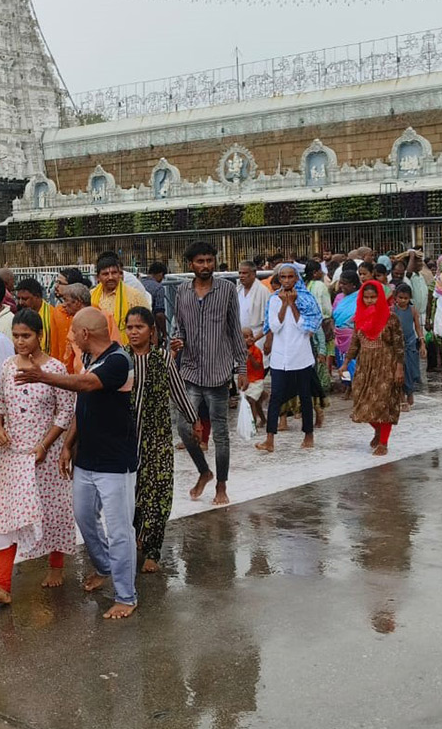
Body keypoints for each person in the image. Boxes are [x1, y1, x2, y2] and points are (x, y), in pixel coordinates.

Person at [16, 307, 139, 620]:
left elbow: (87, 386)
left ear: (86, 334)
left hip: (115, 462)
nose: (70, 337)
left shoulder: (118, 360)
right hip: (88, 459)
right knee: (85, 519)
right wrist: (68, 445)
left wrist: (44, 377)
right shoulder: (89, 359)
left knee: (120, 531)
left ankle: (126, 595)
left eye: (74, 332)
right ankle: (104, 567)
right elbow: (82, 408)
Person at [0, 308, 75, 606]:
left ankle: (56, 565)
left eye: (26, 336)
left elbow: (66, 411)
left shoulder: (56, 369)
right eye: (16, 336)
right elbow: (2, 403)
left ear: (40, 336)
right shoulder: (8, 366)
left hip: (44, 453)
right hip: (13, 453)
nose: (20, 342)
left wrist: (46, 446)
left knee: (51, 509)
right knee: (7, 518)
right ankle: (3, 586)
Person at [170, 241, 246, 504]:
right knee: (183, 427)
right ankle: (204, 471)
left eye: (209, 261)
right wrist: (177, 340)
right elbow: (178, 327)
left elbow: (235, 329)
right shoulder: (181, 292)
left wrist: (242, 367)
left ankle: (221, 486)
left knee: (221, 434)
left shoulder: (226, 290)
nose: (205, 266)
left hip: (218, 374)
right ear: (190, 264)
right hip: (190, 371)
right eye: (200, 261)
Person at [125, 307, 199, 573]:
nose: (134, 332)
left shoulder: (163, 359)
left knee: (158, 492)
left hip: (157, 439)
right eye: (130, 328)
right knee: (131, 493)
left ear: (151, 331)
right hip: (125, 439)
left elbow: (178, 392)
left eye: (139, 327)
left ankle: (153, 550)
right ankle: (134, 537)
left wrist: (194, 420)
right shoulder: (121, 359)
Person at [256, 264, 323, 453]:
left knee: (305, 396)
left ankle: (308, 435)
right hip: (280, 357)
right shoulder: (274, 299)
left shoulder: (306, 299)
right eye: (283, 277)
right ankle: (269, 439)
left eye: (290, 277)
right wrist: (284, 304)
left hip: (300, 355)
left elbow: (306, 326)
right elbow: (274, 327)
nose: (286, 281)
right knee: (276, 397)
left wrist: (293, 304)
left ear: (296, 278)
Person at [347, 281, 405, 456]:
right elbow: (355, 343)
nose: (370, 301)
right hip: (365, 366)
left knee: (384, 403)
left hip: (386, 365)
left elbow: (398, 344)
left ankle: (383, 442)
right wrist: (345, 361)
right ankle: (378, 430)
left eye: (373, 297)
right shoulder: (359, 317)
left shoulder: (391, 318)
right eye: (366, 297)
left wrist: (399, 367)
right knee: (361, 402)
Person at [91, 252, 149, 345]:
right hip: (97, 348)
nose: (110, 277)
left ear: (120, 274)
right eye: (105, 274)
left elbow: (148, 324)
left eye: (114, 273)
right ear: (98, 277)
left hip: (128, 350)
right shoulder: (91, 296)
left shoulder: (134, 296)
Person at [15, 277, 71, 366]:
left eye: (25, 299)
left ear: (37, 297)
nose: (20, 302)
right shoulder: (19, 316)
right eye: (18, 298)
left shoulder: (53, 315)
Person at [392, 282, 425, 409]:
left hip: (410, 344)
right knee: (399, 372)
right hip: (396, 345)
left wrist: (422, 343)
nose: (403, 300)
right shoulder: (392, 310)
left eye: (406, 298)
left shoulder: (412, 310)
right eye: (400, 297)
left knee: (411, 370)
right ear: (396, 297)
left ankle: (410, 392)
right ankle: (401, 398)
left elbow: (417, 327)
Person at [237, 260, 271, 341]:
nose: (241, 276)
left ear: (253, 274)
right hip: (240, 337)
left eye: (244, 273)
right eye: (240, 273)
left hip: (258, 336)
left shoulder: (263, 291)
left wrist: (267, 340)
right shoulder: (237, 290)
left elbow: (269, 321)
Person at [139, 262, 169, 340]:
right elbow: (159, 314)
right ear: (161, 274)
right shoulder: (158, 287)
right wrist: (164, 333)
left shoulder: (138, 283)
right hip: (151, 329)